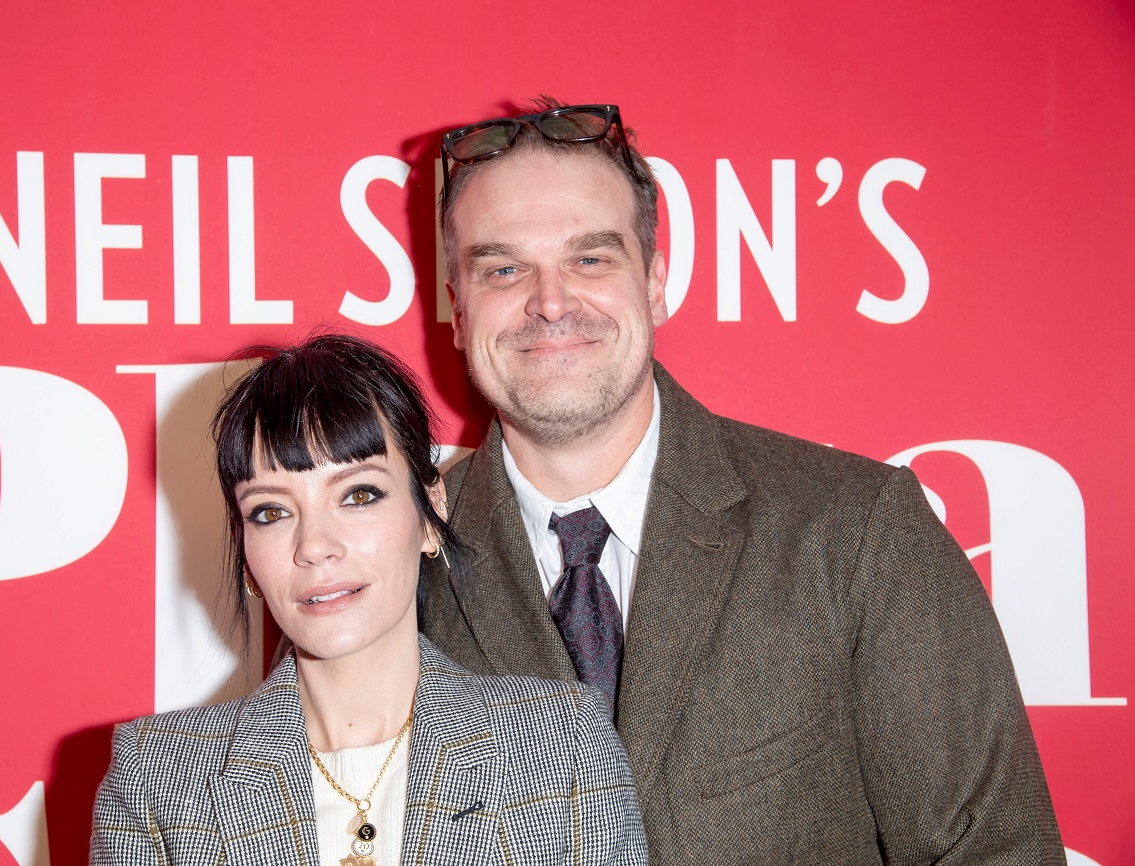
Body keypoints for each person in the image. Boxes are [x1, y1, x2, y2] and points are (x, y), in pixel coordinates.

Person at [421, 98, 1066, 863]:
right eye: (503, 269)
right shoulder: (397, 568)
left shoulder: (856, 532)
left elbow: (995, 850)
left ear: (655, 283)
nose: (550, 301)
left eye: (591, 259)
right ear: (458, 309)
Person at [89, 334, 647, 865]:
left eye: (359, 495)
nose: (315, 546)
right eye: (270, 511)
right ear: (246, 553)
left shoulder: (564, 745)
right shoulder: (156, 781)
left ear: (430, 514)